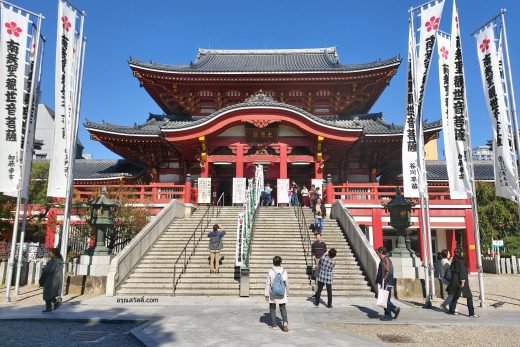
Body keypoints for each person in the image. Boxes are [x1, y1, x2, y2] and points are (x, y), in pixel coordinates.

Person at [447, 250, 478, 318]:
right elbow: (462, 272)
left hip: (455, 281)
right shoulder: (461, 261)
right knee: (469, 296)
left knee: (456, 296)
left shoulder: (454, 261)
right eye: (462, 252)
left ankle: (451, 310)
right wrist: (463, 281)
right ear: (460, 253)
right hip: (461, 282)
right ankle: (471, 313)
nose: (463, 253)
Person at [265, 256, 289, 332]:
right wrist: (287, 292)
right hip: (282, 292)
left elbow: (268, 283)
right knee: (283, 307)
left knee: (272, 308)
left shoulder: (270, 270)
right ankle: (285, 322)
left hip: (273, 292)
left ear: (273, 262)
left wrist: (266, 294)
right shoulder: (284, 271)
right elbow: (287, 283)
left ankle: (274, 325)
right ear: (281, 262)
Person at [376, 246, 400, 321]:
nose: (377, 254)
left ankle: (394, 310)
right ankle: (388, 315)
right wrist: (378, 280)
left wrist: (384, 281)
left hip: (387, 283)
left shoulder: (386, 259)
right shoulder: (383, 260)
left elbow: (390, 271)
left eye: (378, 253)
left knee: (384, 300)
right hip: (385, 282)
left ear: (380, 252)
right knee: (385, 300)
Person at [40, 247, 64, 313]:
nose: (49, 254)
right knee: (50, 294)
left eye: (50, 253)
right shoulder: (59, 261)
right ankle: (51, 306)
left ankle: (53, 304)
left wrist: (44, 267)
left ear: (54, 253)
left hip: (51, 280)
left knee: (48, 293)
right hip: (56, 279)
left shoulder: (54, 261)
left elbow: (50, 270)